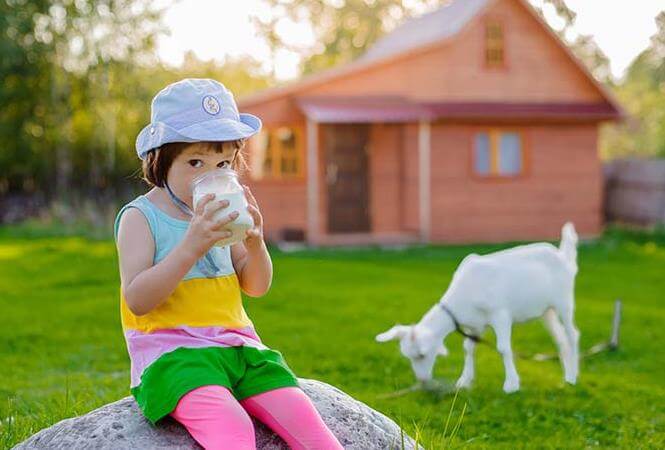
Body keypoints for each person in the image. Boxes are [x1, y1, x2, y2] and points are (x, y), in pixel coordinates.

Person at [113, 78, 343, 450]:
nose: (211, 174)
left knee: (308, 424)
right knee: (232, 428)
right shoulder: (141, 218)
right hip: (174, 355)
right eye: (194, 162)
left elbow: (256, 285)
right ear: (159, 159)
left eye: (222, 162)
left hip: (240, 348)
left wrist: (254, 242)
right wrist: (191, 245)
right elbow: (138, 299)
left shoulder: (223, 213)